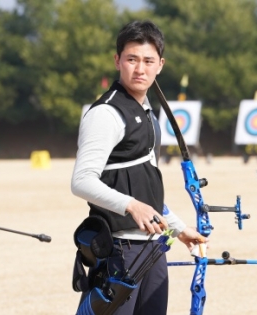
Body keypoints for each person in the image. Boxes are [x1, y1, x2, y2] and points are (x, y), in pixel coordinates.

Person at [71, 20, 204, 314]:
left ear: (161, 65)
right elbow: (81, 181)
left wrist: (179, 229)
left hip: (153, 248)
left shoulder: (147, 113)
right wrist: (131, 206)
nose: (140, 69)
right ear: (117, 60)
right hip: (119, 250)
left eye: (148, 61)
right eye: (131, 59)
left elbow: (144, 186)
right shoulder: (106, 114)